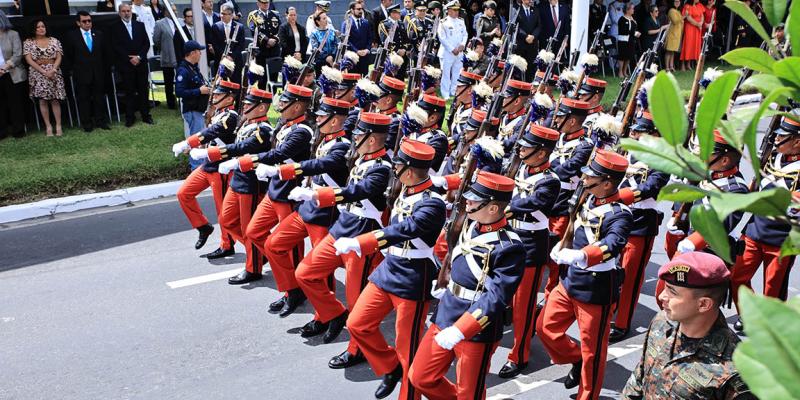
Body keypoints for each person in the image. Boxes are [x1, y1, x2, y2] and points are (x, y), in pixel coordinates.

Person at [337, 139, 446, 400]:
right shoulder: (406, 189)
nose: (392, 169)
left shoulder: (432, 203)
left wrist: (362, 241)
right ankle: (390, 367)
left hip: (413, 276)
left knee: (406, 348)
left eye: (397, 166)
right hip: (389, 269)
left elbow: (404, 229)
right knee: (357, 323)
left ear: (408, 171)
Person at [408, 171, 524, 399]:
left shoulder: (510, 247)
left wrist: (462, 329)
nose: (467, 201)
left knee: (469, 393)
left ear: (493, 208)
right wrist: (446, 281)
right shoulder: (469, 224)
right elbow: (454, 255)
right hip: (446, 311)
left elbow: (496, 298)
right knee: (420, 377)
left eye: (474, 200)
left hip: (476, 326)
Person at [291, 112, 392, 372]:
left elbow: (358, 191)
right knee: (305, 273)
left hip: (363, 233)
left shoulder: (382, 167)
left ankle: (356, 349)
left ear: (372, 140)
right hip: (342, 227)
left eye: (359, 134)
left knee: (355, 299)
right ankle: (334, 314)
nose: (354, 137)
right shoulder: (362, 159)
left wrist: (318, 194)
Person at [539, 149, 632, 400]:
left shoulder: (620, 214)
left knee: (593, 352)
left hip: (595, 289)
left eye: (591, 176)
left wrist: (582, 255)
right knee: (545, 328)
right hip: (569, 282)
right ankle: (574, 357)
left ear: (607, 183)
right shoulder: (586, 198)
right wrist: (563, 245)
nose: (584, 178)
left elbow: (612, 244)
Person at [257, 96, 352, 317]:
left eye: (321, 115)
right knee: (274, 244)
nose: (316, 118)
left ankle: (327, 315)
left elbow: (320, 164)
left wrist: (282, 171)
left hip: (325, 211)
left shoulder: (342, 146)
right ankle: (293, 290)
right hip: (307, 207)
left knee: (321, 271)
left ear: (336, 120)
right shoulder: (324, 139)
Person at [214, 84, 314, 285]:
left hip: (289, 190)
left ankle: (294, 287)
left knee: (291, 247)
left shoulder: (301, 131)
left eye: (285, 102)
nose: (280, 105)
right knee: (253, 231)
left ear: (296, 107)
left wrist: (244, 161)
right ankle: (278, 269)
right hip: (275, 188)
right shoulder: (284, 126)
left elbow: (279, 154)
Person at [621, 252, 755, 399]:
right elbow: (638, 380)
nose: (661, 297)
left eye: (672, 292)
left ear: (703, 304)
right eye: (665, 288)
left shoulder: (737, 370)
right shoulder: (661, 323)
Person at [497, 125, 561, 379]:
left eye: (527, 146)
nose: (521, 149)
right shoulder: (521, 167)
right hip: (509, 237)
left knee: (523, 305)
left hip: (531, 242)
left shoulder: (550, 180)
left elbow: (533, 203)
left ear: (542, 152)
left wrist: (503, 206)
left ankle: (519, 355)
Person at [730, 116, 800, 331]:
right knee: (737, 277)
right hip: (753, 230)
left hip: (781, 239)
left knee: (773, 288)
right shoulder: (773, 156)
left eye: (782, 136)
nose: (777, 139)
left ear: (797, 142)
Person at [609, 112, 670, 343]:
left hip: (640, 223)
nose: (633, 134)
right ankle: (611, 310)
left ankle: (622, 322)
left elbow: (651, 187)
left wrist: (618, 196)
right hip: (617, 219)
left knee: (631, 277)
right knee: (613, 271)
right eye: (633, 130)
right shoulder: (627, 152)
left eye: (639, 131)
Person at [172, 72, 239, 260]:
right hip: (208, 164)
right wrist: (198, 144)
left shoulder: (230, 116)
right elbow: (208, 134)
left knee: (222, 210)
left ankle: (227, 245)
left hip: (221, 167)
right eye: (215, 94)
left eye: (218, 95)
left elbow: (213, 132)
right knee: (184, 193)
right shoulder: (218, 113)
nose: (215, 97)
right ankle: (203, 226)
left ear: (229, 98)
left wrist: (188, 142)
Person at [64, 11, 110, 133]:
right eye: (84, 21)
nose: (88, 23)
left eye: (89, 20)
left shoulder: (99, 34)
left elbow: (105, 53)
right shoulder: (72, 36)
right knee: (83, 99)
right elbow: (68, 55)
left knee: (99, 98)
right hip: (81, 73)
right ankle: (87, 123)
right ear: (78, 23)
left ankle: (100, 121)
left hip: (98, 72)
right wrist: (73, 70)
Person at [111, 3, 153, 127]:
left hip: (141, 63)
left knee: (143, 91)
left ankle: (146, 115)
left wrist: (139, 57)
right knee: (129, 92)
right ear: (119, 13)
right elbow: (115, 46)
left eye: (128, 11)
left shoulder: (139, 25)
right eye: (123, 11)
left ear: (131, 12)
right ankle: (130, 117)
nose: (126, 13)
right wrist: (129, 58)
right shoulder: (115, 28)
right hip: (126, 65)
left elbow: (146, 43)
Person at [24, 19, 66, 137]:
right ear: (34, 29)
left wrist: (53, 70)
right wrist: (43, 71)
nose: (41, 28)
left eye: (43, 26)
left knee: (55, 100)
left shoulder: (54, 40)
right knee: (42, 101)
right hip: (38, 74)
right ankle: (48, 126)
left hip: (54, 72)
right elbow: (28, 60)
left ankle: (58, 125)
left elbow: (59, 57)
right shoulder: (28, 42)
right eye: (38, 27)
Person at [175, 40, 211, 170]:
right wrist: (199, 91)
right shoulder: (183, 70)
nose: (200, 54)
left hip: (199, 109)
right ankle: (196, 169)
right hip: (192, 110)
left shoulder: (193, 68)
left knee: (200, 139)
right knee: (196, 140)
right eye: (198, 51)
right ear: (192, 53)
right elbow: (179, 92)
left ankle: (200, 168)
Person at [0, 10, 26, 139]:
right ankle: (2, 131)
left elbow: (18, 55)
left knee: (15, 103)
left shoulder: (13, 34)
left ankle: (18, 130)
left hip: (12, 73)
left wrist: (4, 68)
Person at [247, 0, 282, 88]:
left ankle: (272, 97)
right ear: (258, 3)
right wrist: (267, 40)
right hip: (262, 51)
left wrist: (274, 40)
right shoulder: (253, 15)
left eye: (267, 2)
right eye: (263, 3)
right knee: (262, 79)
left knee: (274, 77)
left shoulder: (275, 15)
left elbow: (280, 30)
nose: (266, 4)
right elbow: (254, 31)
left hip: (274, 51)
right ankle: (262, 99)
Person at [437, 1, 467, 100]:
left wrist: (463, 44)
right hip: (447, 53)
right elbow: (442, 37)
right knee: (446, 73)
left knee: (457, 73)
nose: (456, 12)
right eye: (454, 10)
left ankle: (454, 91)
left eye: (457, 10)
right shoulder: (443, 22)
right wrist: (452, 49)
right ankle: (445, 93)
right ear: (448, 11)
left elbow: (465, 34)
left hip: (459, 52)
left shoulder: (461, 21)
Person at [210, 2, 245, 86]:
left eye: (224, 14)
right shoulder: (215, 26)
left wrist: (231, 57)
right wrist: (224, 55)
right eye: (221, 13)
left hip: (235, 61)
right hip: (221, 60)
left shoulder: (239, 27)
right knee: (221, 85)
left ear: (231, 15)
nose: (221, 16)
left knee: (236, 84)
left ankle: (237, 99)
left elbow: (241, 45)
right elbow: (215, 44)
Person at [153, 4, 179, 109]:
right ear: (166, 11)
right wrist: (165, 48)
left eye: (175, 10)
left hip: (179, 56)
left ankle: (181, 100)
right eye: (173, 10)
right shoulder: (159, 23)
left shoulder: (179, 22)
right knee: (168, 81)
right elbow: (156, 40)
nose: (175, 12)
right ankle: (171, 102)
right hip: (167, 56)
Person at [344, 1, 372, 76]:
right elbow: (346, 40)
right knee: (353, 80)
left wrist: (367, 49)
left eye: (361, 9)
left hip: (364, 57)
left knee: (364, 79)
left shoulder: (366, 22)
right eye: (358, 9)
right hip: (353, 57)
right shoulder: (347, 23)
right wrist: (356, 51)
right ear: (352, 10)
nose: (361, 11)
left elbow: (370, 38)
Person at [515, 0, 540, 82]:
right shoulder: (516, 10)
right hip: (521, 44)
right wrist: (525, 36)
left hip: (532, 45)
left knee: (531, 69)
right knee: (519, 69)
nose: (531, 0)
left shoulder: (535, 10)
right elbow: (515, 26)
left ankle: (528, 90)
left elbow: (539, 26)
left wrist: (533, 36)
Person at [616, 2, 640, 78]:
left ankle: (625, 71)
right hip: (623, 41)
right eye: (632, 8)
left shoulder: (632, 19)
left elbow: (634, 28)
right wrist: (634, 33)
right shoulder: (622, 19)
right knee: (622, 56)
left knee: (628, 56)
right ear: (627, 10)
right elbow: (623, 30)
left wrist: (636, 33)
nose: (633, 10)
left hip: (631, 40)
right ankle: (620, 72)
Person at [680, 0, 704, 71]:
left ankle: (688, 64)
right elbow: (688, 18)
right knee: (688, 45)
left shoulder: (699, 5)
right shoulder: (687, 6)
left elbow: (702, 16)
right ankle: (683, 64)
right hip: (690, 27)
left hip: (697, 28)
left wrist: (701, 23)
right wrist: (697, 24)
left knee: (694, 46)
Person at [664, 0, 683, 72]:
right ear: (672, 2)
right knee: (669, 51)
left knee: (673, 51)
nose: (677, 3)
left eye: (678, 1)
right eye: (675, 1)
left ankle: (671, 66)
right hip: (672, 33)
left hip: (677, 34)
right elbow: (675, 21)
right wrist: (683, 17)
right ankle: (667, 67)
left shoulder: (677, 11)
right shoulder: (671, 11)